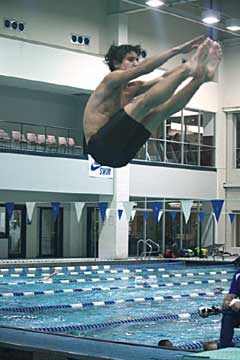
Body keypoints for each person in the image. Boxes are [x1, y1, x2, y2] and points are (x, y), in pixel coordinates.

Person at [83, 36, 222, 168]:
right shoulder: (110, 81)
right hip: (99, 148)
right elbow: (144, 68)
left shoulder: (132, 88)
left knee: (161, 112)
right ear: (116, 63)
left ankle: (201, 79)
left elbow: (163, 78)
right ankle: (189, 69)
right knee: (141, 103)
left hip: (121, 157)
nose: (135, 63)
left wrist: (192, 71)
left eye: (137, 59)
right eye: (130, 59)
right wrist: (178, 51)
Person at [219, 269, 240, 348]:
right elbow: (232, 293)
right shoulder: (238, 274)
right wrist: (227, 301)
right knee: (228, 315)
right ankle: (225, 345)